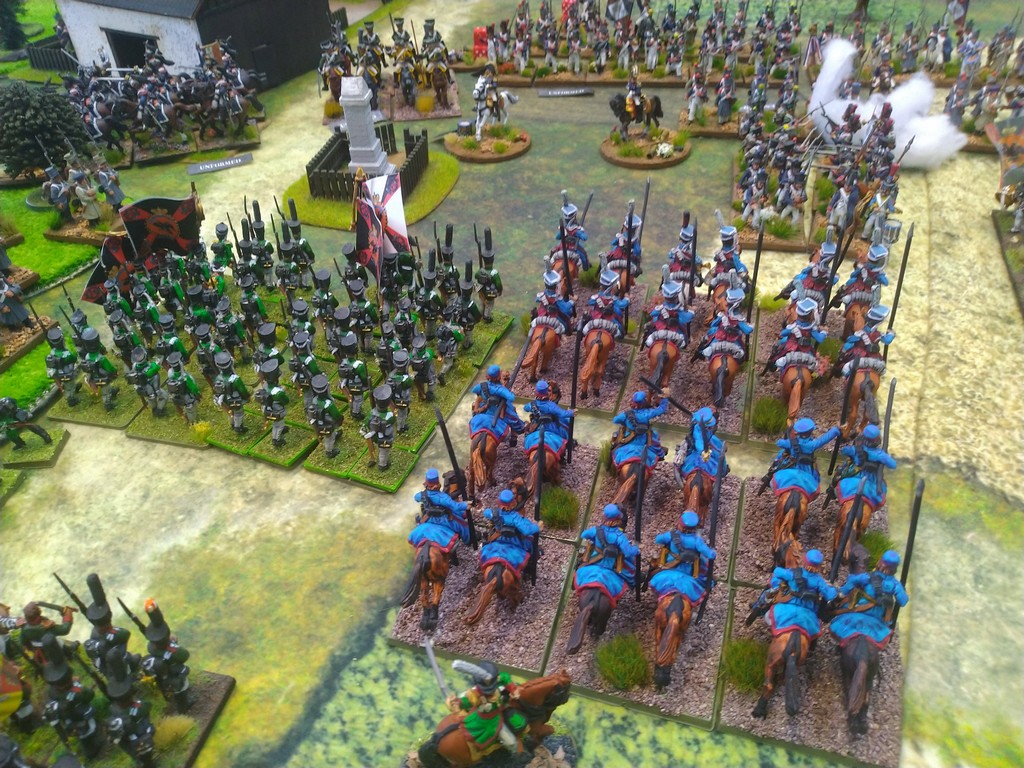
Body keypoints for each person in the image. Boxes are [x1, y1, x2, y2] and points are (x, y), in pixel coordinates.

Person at [830, 549, 908, 648]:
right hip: (878, 618)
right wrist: (901, 591)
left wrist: (840, 593)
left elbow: (846, 588)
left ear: (880, 562)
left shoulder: (866, 577)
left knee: (843, 621)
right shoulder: (895, 585)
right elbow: (903, 601)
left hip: (859, 611)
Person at [447, 659, 526, 754]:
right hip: (489, 721)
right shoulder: (474, 695)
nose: (490, 691)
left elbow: (505, 677)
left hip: (502, 708)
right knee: (511, 742)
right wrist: (456, 703)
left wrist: (513, 690)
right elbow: (465, 702)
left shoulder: (497, 679)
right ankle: (513, 753)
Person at [760, 548, 837, 640]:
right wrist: (832, 587)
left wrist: (778, 583)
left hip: (788, 605)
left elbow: (777, 571)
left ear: (804, 561)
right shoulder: (819, 581)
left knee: (768, 615)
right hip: (807, 611)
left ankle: (773, 631)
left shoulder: (793, 573)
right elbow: (830, 595)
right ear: (819, 566)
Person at [574, 504, 640, 604]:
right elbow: (628, 552)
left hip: (595, 560)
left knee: (579, 564)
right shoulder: (620, 536)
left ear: (604, 517)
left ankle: (574, 584)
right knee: (630, 574)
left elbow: (584, 534)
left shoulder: (596, 530)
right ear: (618, 519)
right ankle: (633, 583)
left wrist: (594, 539)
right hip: (612, 564)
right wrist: (636, 548)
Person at [649, 511, 717, 602]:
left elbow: (658, 539)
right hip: (688, 573)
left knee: (653, 568)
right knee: (704, 567)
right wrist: (712, 551)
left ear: (680, 524)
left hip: (669, 568)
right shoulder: (697, 541)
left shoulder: (671, 535)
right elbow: (711, 555)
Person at [770, 417, 841, 499]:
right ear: (810, 432)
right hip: (807, 470)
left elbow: (779, 443)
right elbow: (824, 439)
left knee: (776, 470)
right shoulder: (812, 445)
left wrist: (789, 441)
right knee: (816, 479)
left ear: (798, 432)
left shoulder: (791, 443)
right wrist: (836, 430)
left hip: (792, 466)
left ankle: (769, 478)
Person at [410, 468, 471, 556]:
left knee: (422, 520)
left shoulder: (421, 495)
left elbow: (416, 498)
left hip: (429, 517)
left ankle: (419, 524)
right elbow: (455, 506)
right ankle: (469, 540)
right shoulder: (443, 497)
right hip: (444, 519)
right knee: (463, 525)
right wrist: (465, 505)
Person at [835, 423, 896, 509]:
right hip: (872, 479)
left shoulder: (855, 449)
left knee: (839, 478)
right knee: (882, 491)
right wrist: (887, 457)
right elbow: (893, 465)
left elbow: (844, 450)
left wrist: (851, 443)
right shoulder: (880, 454)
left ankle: (833, 491)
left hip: (856, 475)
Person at [481, 488, 540, 577]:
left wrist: (491, 515)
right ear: (512, 503)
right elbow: (526, 530)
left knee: (488, 540)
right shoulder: (515, 518)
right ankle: (529, 569)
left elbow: (486, 512)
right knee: (531, 546)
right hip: (514, 539)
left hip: (498, 537)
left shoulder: (494, 513)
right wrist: (537, 527)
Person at [611, 390, 668, 471]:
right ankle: (660, 455)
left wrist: (625, 421)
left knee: (614, 446)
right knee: (655, 443)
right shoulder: (647, 413)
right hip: (643, 441)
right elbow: (661, 408)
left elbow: (615, 420)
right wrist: (665, 398)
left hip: (628, 439)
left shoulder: (626, 414)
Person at [470, 364, 525, 446]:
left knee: (476, 410)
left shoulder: (481, 386)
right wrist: (505, 390)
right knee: (513, 417)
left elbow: (474, 390)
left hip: (485, 409)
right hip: (497, 411)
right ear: (499, 376)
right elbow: (511, 398)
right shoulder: (500, 389)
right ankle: (518, 431)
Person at [674, 406, 727, 486]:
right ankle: (722, 470)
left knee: (720, 448)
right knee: (717, 455)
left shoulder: (702, 423)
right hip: (698, 449)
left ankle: (724, 468)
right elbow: (699, 443)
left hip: (708, 440)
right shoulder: (697, 431)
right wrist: (704, 450)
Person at [522, 380, 574, 461]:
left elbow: (525, 408)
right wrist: (571, 412)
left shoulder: (533, 404)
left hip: (542, 425)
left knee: (565, 427)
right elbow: (562, 413)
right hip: (548, 426)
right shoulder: (551, 406)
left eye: (550, 391)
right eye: (548, 390)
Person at [212, 350, 249, 434]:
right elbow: (243, 391)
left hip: (224, 400)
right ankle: (238, 427)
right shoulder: (235, 379)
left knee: (229, 412)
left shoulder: (217, 378)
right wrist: (247, 396)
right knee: (239, 413)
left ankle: (232, 423)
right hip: (234, 400)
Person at [307, 373, 343, 458]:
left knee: (330, 434)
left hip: (318, 421)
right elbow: (336, 415)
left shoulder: (314, 400)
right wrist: (339, 420)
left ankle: (334, 434)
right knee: (329, 438)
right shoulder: (328, 404)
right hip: (326, 423)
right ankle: (329, 451)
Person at [45, 326, 82, 407]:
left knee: (69, 384)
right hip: (66, 374)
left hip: (59, 374)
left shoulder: (52, 353)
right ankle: (71, 400)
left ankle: (73, 387)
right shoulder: (66, 354)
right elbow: (74, 359)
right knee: (69, 388)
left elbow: (51, 371)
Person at [256, 359, 290, 447]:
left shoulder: (265, 385)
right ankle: (276, 439)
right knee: (278, 425)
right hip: (277, 410)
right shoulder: (278, 392)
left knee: (277, 423)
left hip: (268, 408)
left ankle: (279, 433)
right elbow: (286, 401)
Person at [128, 346, 169, 417]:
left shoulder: (135, 366)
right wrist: (155, 363)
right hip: (152, 388)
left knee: (151, 399)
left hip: (144, 389)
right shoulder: (150, 369)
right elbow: (156, 367)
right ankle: (159, 410)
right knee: (164, 396)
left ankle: (154, 409)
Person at [362, 384, 396, 470]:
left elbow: (366, 422)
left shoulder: (371, 413)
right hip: (384, 437)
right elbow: (393, 420)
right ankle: (382, 465)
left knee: (381, 450)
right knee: (384, 452)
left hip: (374, 436)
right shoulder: (390, 415)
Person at [165, 351, 201, 425]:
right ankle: (193, 422)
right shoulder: (186, 377)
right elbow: (193, 388)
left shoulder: (170, 373)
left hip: (176, 396)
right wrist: (198, 394)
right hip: (186, 397)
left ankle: (184, 416)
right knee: (191, 409)